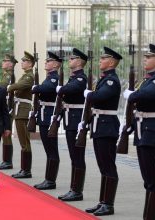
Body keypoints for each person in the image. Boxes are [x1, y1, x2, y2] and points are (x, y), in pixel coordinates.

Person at [124, 44, 155, 220]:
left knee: (153, 180)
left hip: (152, 133)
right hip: (143, 130)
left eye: (148, 57)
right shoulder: (147, 80)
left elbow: (143, 95)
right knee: (147, 179)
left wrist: (132, 94)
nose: (145, 59)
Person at [84, 47, 122, 216]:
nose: (100, 61)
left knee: (108, 166)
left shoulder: (111, 80)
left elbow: (99, 97)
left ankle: (109, 204)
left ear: (112, 62)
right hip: (100, 125)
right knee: (103, 166)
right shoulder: (105, 79)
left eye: (103, 58)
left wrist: (89, 94)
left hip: (107, 126)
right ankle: (103, 202)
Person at [57, 48, 87, 201]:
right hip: (70, 119)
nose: (69, 60)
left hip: (75, 121)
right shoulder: (74, 77)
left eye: (72, 58)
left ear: (80, 62)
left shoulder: (81, 78)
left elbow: (72, 89)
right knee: (73, 156)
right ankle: (73, 188)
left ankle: (77, 190)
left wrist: (61, 89)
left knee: (77, 156)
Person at [32, 51, 61, 190]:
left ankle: (50, 180)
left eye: (49, 61)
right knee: (48, 150)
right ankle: (48, 179)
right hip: (44, 115)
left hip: (49, 116)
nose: (46, 62)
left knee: (51, 149)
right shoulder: (49, 77)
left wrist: (36, 88)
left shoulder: (54, 78)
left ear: (55, 64)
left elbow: (47, 88)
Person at [10, 51, 34, 179]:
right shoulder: (25, 75)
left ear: (30, 63)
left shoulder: (29, 77)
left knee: (24, 141)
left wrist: (9, 87)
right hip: (19, 110)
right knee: (23, 141)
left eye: (24, 61)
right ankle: (24, 169)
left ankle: (26, 170)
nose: (22, 62)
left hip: (23, 111)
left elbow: (20, 86)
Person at [0, 54, 18, 170]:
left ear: (11, 64)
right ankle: (6, 160)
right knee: (4, 134)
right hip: (5, 106)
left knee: (6, 134)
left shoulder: (9, 75)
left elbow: (2, 87)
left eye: (5, 61)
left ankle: (8, 161)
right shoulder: (6, 74)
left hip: (8, 108)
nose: (3, 62)